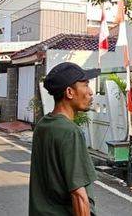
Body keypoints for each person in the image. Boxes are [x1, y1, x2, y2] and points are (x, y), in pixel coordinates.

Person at [29, 62, 98, 216]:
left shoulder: (43, 125)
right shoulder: (70, 132)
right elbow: (79, 195)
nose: (91, 92)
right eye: (85, 85)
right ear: (69, 92)